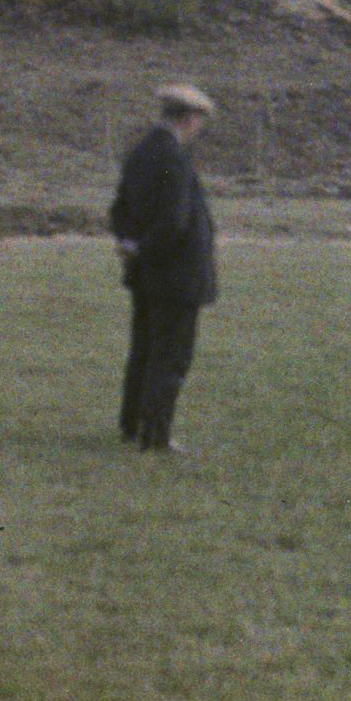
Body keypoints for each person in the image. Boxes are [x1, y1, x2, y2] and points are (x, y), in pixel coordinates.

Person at [109, 84, 219, 454]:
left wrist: (130, 245)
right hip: (174, 275)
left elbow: (119, 209)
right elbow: (175, 222)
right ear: (189, 118)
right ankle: (156, 435)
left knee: (144, 348)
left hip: (144, 273)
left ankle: (132, 424)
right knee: (171, 355)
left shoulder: (140, 152)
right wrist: (145, 248)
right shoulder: (173, 157)